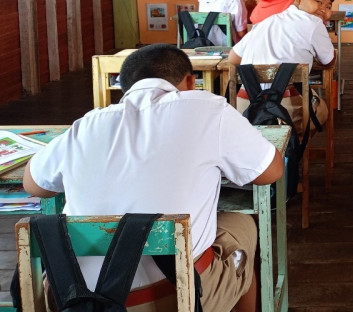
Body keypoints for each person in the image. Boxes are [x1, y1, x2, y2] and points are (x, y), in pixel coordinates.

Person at [23, 44, 284, 312]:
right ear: (190, 82)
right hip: (173, 297)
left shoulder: (87, 124)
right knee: (244, 225)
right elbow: (271, 172)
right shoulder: (208, 109)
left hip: (74, 299)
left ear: (124, 88)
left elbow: (33, 184)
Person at [229, 0, 336, 131]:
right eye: (319, 1)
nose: (323, 10)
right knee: (322, 110)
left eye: (328, 7)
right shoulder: (314, 23)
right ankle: (295, 142)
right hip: (285, 110)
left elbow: (233, 58)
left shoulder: (266, 22)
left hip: (245, 108)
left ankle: (272, 143)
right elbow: (329, 61)